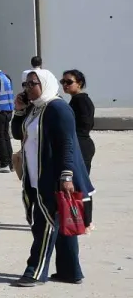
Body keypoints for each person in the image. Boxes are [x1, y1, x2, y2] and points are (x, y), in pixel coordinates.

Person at [10, 69, 92, 287]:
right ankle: (70, 271)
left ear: (44, 83)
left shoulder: (58, 108)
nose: (27, 88)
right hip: (35, 176)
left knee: (45, 225)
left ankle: (34, 272)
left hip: (53, 177)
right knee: (62, 225)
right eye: (25, 84)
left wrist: (67, 176)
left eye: (32, 84)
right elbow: (18, 134)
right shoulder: (36, 108)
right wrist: (19, 112)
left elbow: (67, 145)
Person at [61, 69, 95, 230]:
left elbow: (85, 124)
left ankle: (86, 221)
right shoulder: (76, 100)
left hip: (81, 145)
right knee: (79, 182)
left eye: (69, 82)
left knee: (81, 183)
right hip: (80, 143)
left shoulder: (80, 101)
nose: (65, 85)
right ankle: (82, 219)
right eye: (63, 82)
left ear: (79, 83)